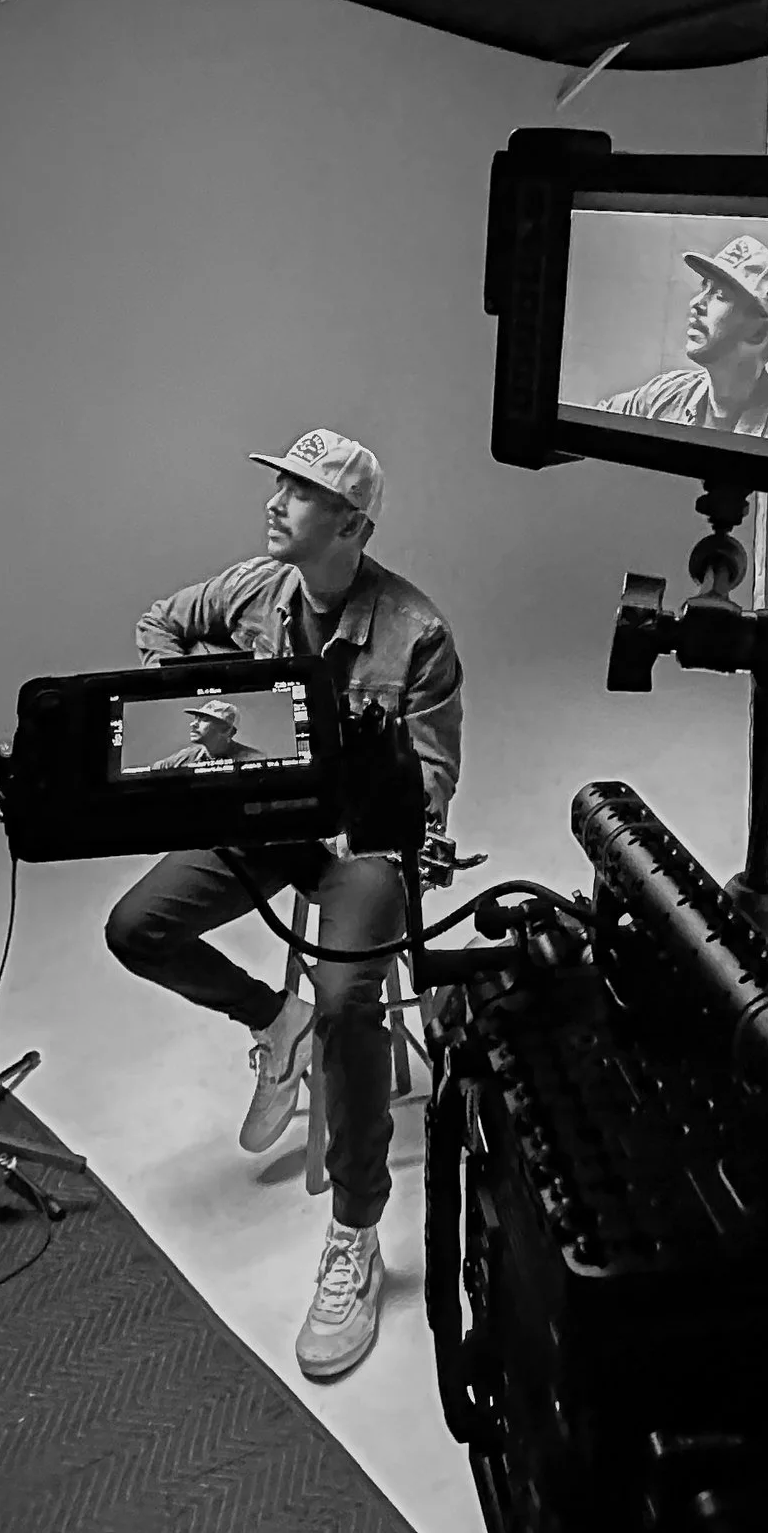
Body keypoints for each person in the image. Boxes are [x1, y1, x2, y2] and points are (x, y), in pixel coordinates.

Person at [104, 428, 464, 1382]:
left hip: (358, 849)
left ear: (350, 524)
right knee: (136, 928)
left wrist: (369, 808)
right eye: (278, 485)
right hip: (262, 824)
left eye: (298, 493)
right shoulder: (253, 588)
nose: (274, 504)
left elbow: (430, 786)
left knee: (355, 1002)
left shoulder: (416, 632)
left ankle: (356, 1230)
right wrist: (218, 716)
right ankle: (274, 1016)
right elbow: (160, 624)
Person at [594, 235, 768, 444]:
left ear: (759, 333)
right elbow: (592, 423)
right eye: (704, 287)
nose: (696, 303)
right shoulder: (665, 394)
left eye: (720, 295)